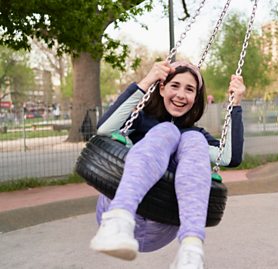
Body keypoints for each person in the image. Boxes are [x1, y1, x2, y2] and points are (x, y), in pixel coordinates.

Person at [89, 61, 245, 269]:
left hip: (161, 225)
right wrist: (147, 80)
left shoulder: (195, 136)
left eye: (189, 89)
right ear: (161, 88)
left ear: (195, 98)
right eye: (175, 85)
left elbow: (229, 158)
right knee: (166, 132)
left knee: (192, 139)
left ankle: (191, 248)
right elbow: (104, 130)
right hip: (117, 207)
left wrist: (235, 104)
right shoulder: (140, 120)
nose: (181, 95)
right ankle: (118, 219)